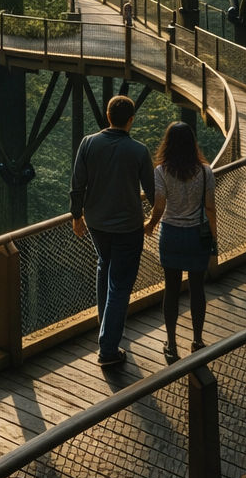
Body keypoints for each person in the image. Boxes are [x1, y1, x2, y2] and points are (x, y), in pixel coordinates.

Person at [71, 95, 155, 367]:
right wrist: (155, 219)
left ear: (108, 116)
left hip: (95, 223)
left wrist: (76, 216)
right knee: (120, 283)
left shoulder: (87, 143)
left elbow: (77, 184)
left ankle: (104, 325)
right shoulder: (139, 151)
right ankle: (107, 349)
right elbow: (153, 192)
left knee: (104, 265)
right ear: (131, 120)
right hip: (129, 226)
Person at [144, 122, 217, 364]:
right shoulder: (206, 172)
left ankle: (172, 343)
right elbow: (209, 207)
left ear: (168, 144)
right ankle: (197, 340)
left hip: (172, 234)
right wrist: (214, 237)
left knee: (172, 290)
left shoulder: (161, 171)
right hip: (197, 234)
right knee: (197, 288)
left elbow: (160, 206)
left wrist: (151, 224)